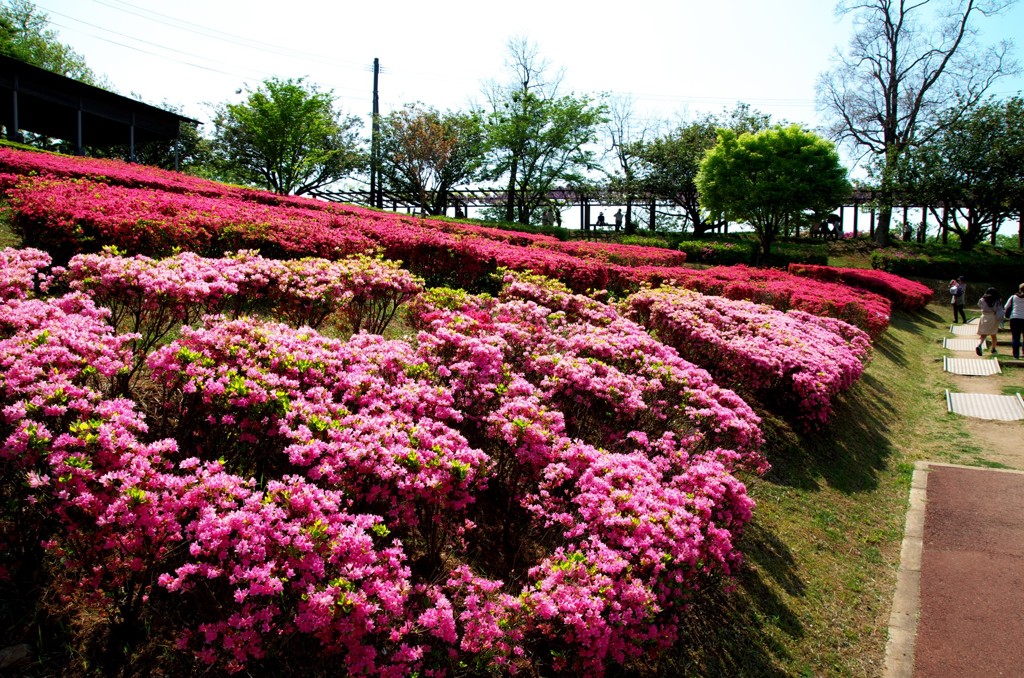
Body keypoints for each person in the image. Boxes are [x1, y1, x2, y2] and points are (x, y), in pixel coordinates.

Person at [975, 287, 1003, 356]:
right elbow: (998, 310)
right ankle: (993, 348)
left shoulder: (982, 299)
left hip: (984, 316)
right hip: (992, 317)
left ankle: (979, 345)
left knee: (983, 334)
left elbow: (979, 305)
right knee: (993, 334)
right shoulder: (996, 301)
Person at [1004, 283, 1024, 360]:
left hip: (1014, 317)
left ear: (1020, 289)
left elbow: (1006, 307)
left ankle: (1016, 354)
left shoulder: (1013, 297)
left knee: (1015, 337)